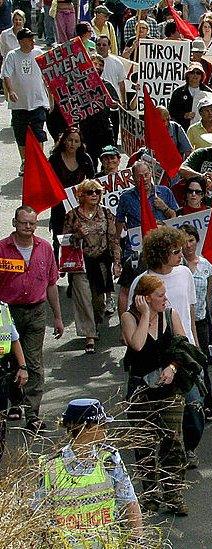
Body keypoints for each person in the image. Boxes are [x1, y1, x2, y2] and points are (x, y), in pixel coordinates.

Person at [120, 275, 192, 515]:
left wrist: (173, 367)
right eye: (160, 296)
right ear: (145, 298)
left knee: (173, 442)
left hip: (169, 390)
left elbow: (183, 349)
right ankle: (150, 494)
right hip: (140, 390)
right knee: (144, 445)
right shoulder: (129, 318)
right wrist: (144, 316)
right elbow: (137, 345)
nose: (165, 299)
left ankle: (174, 495)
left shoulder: (170, 316)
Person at [33, 398, 143, 546]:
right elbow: (38, 513)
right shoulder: (51, 465)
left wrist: (138, 539)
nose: (106, 428)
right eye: (102, 424)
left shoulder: (109, 459)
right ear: (86, 427)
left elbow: (129, 500)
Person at [0, 207, 63, 432]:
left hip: (36, 312)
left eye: (32, 224)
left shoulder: (44, 248)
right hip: (8, 314)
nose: (28, 227)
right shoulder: (2, 249)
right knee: (11, 360)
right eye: (24, 223)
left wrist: (57, 316)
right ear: (14, 223)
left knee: (33, 362)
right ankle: (15, 403)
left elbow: (52, 283)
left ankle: (32, 412)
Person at [64, 180, 122, 354]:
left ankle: (95, 322)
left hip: (101, 262)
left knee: (98, 302)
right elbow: (65, 242)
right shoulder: (72, 215)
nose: (94, 195)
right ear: (81, 195)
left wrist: (117, 262)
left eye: (97, 192)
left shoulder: (106, 213)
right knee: (83, 298)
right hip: (81, 263)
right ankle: (89, 335)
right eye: (90, 192)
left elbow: (114, 239)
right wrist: (77, 235)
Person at [127, 226, 199, 345]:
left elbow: (190, 311)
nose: (181, 255)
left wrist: (195, 344)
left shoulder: (185, 273)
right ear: (161, 254)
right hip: (157, 350)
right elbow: (132, 317)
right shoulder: (142, 281)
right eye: (176, 252)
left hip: (185, 347)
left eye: (180, 250)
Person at [178, 224, 212, 419]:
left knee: (201, 363)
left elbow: (210, 296)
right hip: (179, 323)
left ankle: (205, 404)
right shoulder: (176, 267)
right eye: (184, 241)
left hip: (200, 322)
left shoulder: (205, 266)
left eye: (191, 240)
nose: (188, 245)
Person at [2, 28, 48, 174]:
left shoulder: (39, 53)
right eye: (29, 39)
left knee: (38, 133)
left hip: (37, 101)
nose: (33, 41)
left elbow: (50, 67)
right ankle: (25, 161)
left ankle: (39, 161)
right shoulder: (12, 55)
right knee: (21, 134)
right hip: (19, 104)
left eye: (33, 39)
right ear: (21, 41)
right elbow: (6, 75)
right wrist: (10, 91)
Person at [48, 126, 95, 252]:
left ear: (80, 143)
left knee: (79, 236)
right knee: (58, 238)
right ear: (64, 140)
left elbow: (92, 181)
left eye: (76, 141)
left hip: (78, 204)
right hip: (59, 204)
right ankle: (57, 268)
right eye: (69, 140)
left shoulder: (85, 159)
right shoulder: (55, 159)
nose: (72, 144)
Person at [115, 160, 179, 232]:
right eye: (140, 177)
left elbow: (175, 216)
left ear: (151, 174)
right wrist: (117, 239)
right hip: (138, 240)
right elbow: (119, 220)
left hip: (163, 237)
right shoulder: (126, 198)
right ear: (133, 178)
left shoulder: (165, 192)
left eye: (146, 175)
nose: (144, 179)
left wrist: (165, 208)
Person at [169, 63, 212, 131]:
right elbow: (172, 112)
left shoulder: (208, 92)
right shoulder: (178, 92)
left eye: (198, 73)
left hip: (203, 129)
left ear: (202, 76)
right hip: (183, 129)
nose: (195, 75)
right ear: (188, 75)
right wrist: (184, 115)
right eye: (192, 72)